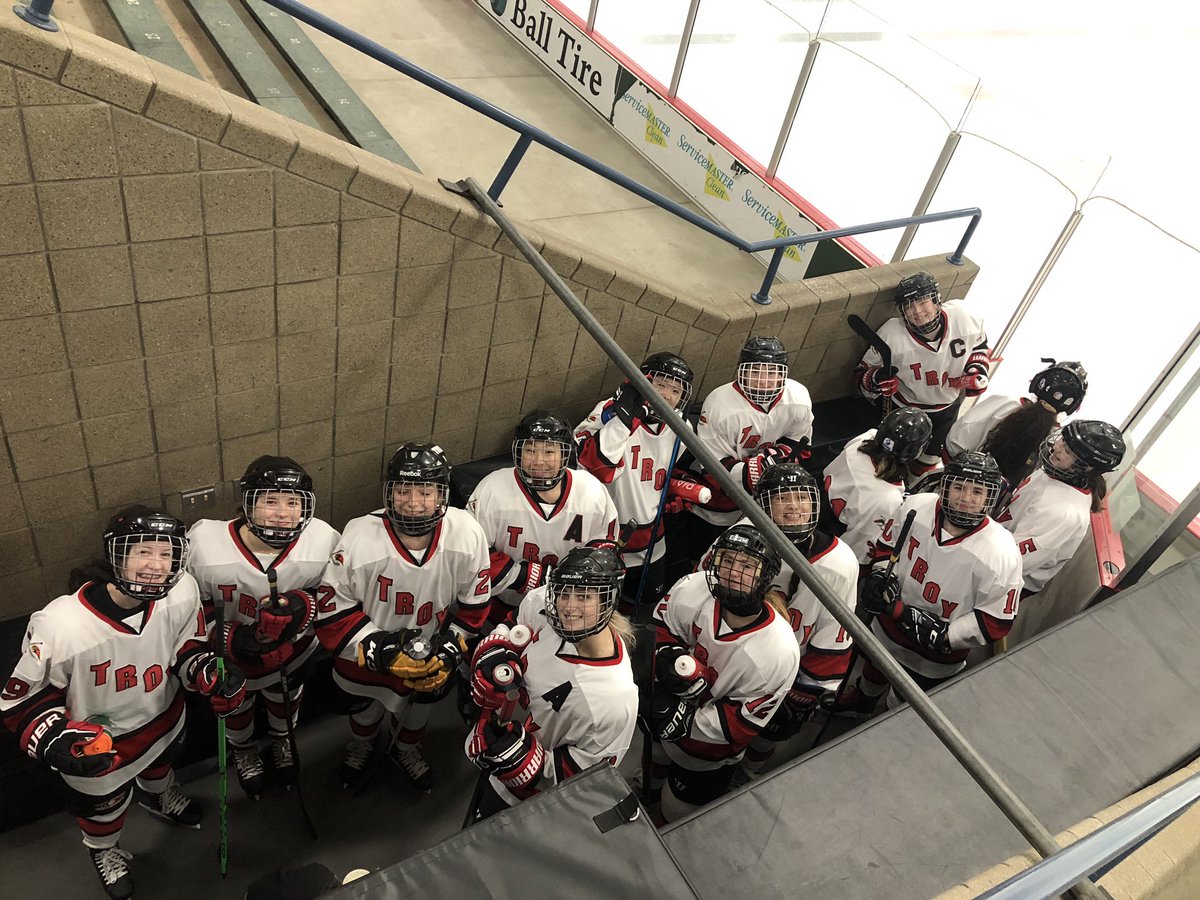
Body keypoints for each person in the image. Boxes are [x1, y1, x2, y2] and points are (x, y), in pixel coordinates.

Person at [0, 507, 246, 900]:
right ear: (115, 555)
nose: (156, 565)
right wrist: (51, 737)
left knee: (160, 769)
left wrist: (205, 670)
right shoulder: (60, 624)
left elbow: (186, 647)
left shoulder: (182, 592)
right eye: (143, 552)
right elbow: (25, 698)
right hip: (101, 745)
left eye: (166, 554)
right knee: (103, 810)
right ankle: (103, 849)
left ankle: (158, 796)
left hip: (162, 719)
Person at [321, 443, 492, 790]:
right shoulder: (358, 536)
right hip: (368, 652)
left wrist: (450, 647)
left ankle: (406, 748)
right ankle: (363, 744)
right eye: (403, 490)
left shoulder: (467, 532)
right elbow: (333, 611)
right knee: (366, 709)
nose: (413, 501)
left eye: (425, 492)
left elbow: (474, 605)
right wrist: (380, 649)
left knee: (418, 711)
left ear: (442, 495)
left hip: (430, 649)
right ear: (389, 492)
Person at [186, 456, 340, 799]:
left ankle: (282, 738)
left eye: (293, 503)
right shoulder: (205, 543)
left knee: (286, 698)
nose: (282, 513)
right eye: (270, 501)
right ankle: (243, 749)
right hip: (232, 657)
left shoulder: (323, 539)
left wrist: (303, 607)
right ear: (248, 503)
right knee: (237, 705)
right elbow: (189, 607)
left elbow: (336, 597)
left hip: (294, 651)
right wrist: (229, 639)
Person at [837, 452, 1022, 716]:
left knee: (904, 703)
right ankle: (863, 701)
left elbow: (996, 621)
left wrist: (947, 635)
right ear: (945, 486)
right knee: (875, 664)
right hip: (889, 620)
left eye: (977, 491)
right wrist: (881, 574)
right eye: (959, 487)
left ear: (989, 497)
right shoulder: (916, 506)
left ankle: (883, 722)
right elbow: (887, 546)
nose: (966, 498)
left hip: (934, 654)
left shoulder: (1001, 552)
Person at [464, 547, 638, 819]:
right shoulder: (544, 604)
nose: (569, 607)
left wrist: (522, 761)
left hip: (530, 803)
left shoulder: (615, 701)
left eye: (584, 596)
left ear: (608, 601)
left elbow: (585, 782)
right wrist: (493, 654)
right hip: (494, 742)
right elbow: (511, 627)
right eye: (564, 593)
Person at [709, 466, 857, 780]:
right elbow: (707, 592)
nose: (794, 506)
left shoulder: (839, 563)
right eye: (782, 498)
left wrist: (807, 690)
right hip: (728, 654)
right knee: (718, 729)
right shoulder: (739, 539)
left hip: (784, 669)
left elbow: (833, 634)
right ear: (763, 505)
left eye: (802, 497)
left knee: (767, 736)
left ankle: (749, 773)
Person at [647, 524, 800, 823]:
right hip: (664, 705)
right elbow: (661, 631)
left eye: (747, 566)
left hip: (704, 750)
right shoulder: (693, 588)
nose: (733, 572)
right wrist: (666, 658)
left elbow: (739, 725)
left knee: (675, 810)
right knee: (654, 761)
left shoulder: (778, 651)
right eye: (727, 560)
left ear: (766, 577)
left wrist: (682, 721)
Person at [669, 336, 814, 584]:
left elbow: (800, 444)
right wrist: (755, 470)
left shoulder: (798, 397)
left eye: (772, 373)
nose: (763, 381)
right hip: (721, 500)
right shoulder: (720, 404)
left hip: (765, 499)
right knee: (707, 552)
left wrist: (777, 458)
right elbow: (712, 466)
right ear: (741, 371)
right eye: (755, 371)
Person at [575, 351, 695, 609]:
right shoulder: (609, 411)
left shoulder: (682, 427)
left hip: (652, 538)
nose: (666, 395)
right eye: (661, 384)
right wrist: (624, 419)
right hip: (605, 533)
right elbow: (595, 468)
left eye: (676, 391)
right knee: (598, 606)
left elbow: (659, 475)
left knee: (644, 604)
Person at [469, 410, 618, 614]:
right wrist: (522, 575)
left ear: (564, 455)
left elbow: (605, 550)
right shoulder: (492, 488)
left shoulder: (591, 492)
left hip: (564, 610)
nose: (538, 461)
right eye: (530, 450)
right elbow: (473, 553)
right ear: (518, 452)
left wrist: (579, 575)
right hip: (500, 607)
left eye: (549, 452)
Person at [854, 272, 990, 462]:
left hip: (947, 410)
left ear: (936, 300)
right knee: (886, 459)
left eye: (922, 302)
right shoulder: (891, 334)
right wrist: (876, 379)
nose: (917, 311)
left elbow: (979, 346)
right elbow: (861, 374)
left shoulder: (964, 316)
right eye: (909, 306)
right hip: (901, 411)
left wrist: (977, 370)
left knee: (928, 461)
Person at [995, 420, 1125, 597]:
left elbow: (1010, 561)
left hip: (1003, 582)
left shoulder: (1064, 513)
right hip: (995, 547)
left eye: (1068, 451)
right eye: (1063, 440)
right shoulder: (1058, 469)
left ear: (1087, 467)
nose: (1057, 447)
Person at [944, 359, 1089, 489]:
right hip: (996, 504)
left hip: (955, 483)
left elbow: (956, 442)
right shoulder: (1056, 439)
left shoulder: (1003, 404)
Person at [821, 407, 933, 566]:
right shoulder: (889, 499)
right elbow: (856, 551)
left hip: (817, 500)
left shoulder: (864, 437)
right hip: (832, 536)